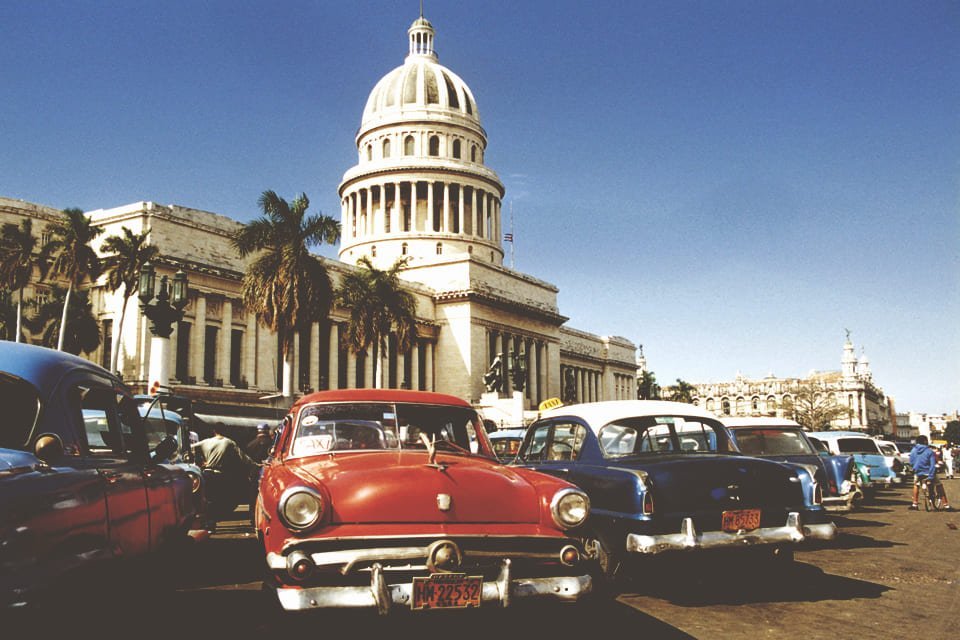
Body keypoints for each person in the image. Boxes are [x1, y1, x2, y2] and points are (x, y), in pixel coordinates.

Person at [194, 423, 258, 525]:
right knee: (218, 500)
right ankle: (213, 520)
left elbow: (190, 447)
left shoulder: (205, 442)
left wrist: (199, 462)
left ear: (214, 431)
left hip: (206, 474)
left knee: (208, 498)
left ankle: (209, 522)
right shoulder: (228, 442)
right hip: (220, 475)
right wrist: (255, 465)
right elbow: (243, 457)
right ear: (225, 430)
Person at [909, 435, 952, 511]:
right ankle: (946, 505)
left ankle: (914, 504)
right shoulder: (929, 451)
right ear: (925, 441)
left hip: (918, 472)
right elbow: (932, 465)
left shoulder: (913, 451)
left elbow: (911, 462)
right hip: (928, 472)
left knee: (916, 485)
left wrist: (915, 469)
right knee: (939, 485)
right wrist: (931, 476)